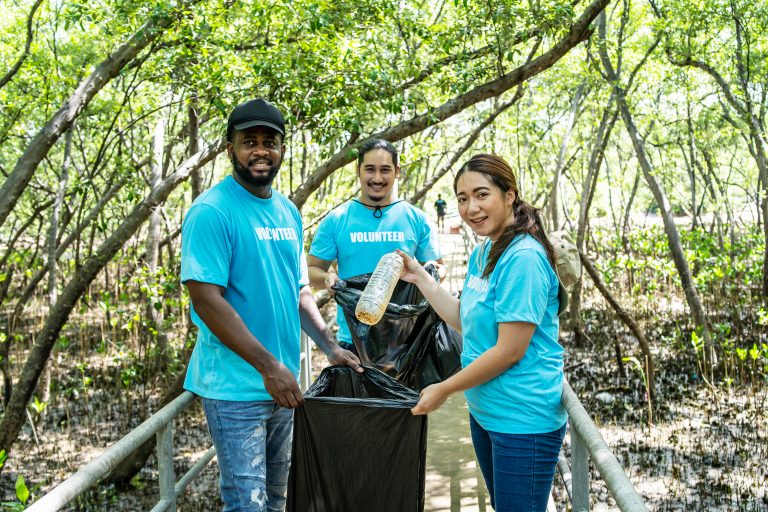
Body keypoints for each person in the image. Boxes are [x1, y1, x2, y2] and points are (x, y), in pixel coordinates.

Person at [181, 98, 362, 512]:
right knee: (247, 504)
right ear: (231, 148)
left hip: (283, 383)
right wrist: (269, 367)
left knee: (278, 498)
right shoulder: (211, 212)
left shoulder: (287, 211)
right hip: (236, 389)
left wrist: (330, 347)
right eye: (249, 141)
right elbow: (207, 301)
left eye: (270, 141)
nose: (260, 150)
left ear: (282, 148)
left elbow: (298, 290)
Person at [398, 154, 567, 512]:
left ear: (509, 195)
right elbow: (465, 319)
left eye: (481, 194)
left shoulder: (523, 258)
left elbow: (509, 351)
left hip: (522, 421)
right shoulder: (485, 250)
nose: (471, 207)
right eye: (462, 198)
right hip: (486, 411)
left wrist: (444, 388)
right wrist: (421, 278)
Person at [307, 139, 443, 352]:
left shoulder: (417, 218)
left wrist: (429, 272)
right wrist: (327, 279)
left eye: (385, 170)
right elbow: (311, 270)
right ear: (358, 170)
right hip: (353, 340)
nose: (377, 178)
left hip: (406, 341)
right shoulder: (337, 219)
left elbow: (438, 269)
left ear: (397, 171)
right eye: (370, 169)